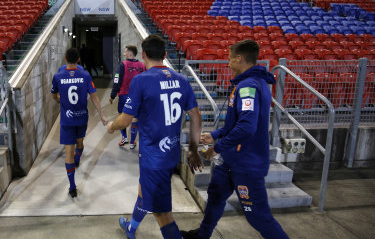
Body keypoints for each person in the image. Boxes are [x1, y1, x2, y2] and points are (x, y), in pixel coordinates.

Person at [180, 39, 289, 239]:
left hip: (246, 163)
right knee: (215, 197)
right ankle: (202, 235)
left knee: (258, 216)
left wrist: (217, 147)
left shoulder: (249, 86)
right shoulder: (247, 83)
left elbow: (247, 127)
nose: (228, 63)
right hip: (231, 161)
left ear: (240, 58)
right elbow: (235, 124)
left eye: (230, 59)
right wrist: (213, 135)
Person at [107, 35, 203, 239]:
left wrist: (111, 126)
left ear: (143, 55)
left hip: (153, 158)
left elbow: (125, 121)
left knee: (162, 214)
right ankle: (131, 228)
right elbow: (196, 116)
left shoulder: (141, 81)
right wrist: (193, 150)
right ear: (165, 55)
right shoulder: (181, 79)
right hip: (171, 154)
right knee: (144, 191)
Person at [51, 47, 108, 198]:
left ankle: (72, 186)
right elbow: (95, 97)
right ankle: (77, 162)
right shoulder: (85, 75)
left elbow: (54, 95)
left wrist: (60, 102)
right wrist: (102, 115)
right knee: (80, 143)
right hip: (82, 117)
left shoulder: (58, 76)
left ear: (65, 58)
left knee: (68, 152)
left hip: (67, 119)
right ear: (78, 59)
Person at [109, 45, 145, 149]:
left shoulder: (122, 65)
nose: (124, 54)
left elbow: (117, 81)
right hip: (138, 97)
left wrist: (112, 96)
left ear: (130, 53)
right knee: (135, 118)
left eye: (125, 52)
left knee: (122, 116)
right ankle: (133, 142)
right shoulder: (142, 66)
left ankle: (124, 138)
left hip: (124, 96)